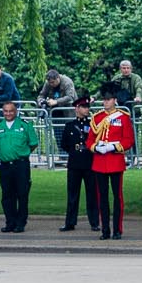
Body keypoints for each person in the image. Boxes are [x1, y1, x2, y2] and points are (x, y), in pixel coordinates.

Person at [87, 90, 134, 239]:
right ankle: (105, 230)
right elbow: (89, 140)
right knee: (102, 198)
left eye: (108, 99)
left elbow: (128, 140)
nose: (105, 102)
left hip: (115, 161)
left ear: (114, 100)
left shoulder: (123, 117)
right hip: (100, 162)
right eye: (104, 99)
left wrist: (113, 147)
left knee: (117, 197)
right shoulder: (97, 117)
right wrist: (96, 147)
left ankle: (117, 230)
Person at [0, 99, 38, 233]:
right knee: (7, 195)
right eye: (5, 111)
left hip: (21, 165)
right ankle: (10, 222)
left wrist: (21, 153)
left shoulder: (25, 125)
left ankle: (20, 223)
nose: (8, 113)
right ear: (2, 112)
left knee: (22, 193)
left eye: (11, 111)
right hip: (5, 166)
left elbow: (33, 144)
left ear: (16, 111)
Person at [57, 96, 98, 231]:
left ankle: (94, 222)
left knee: (92, 194)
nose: (86, 109)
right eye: (84, 107)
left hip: (89, 162)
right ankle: (70, 222)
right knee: (72, 194)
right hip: (74, 163)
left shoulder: (92, 125)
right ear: (77, 108)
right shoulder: (69, 126)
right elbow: (64, 144)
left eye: (87, 107)